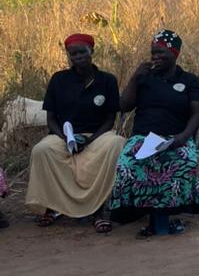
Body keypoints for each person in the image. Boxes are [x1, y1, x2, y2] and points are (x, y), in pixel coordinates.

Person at [104, 30, 199, 237]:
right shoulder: (144, 78)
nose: (155, 57)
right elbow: (123, 106)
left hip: (176, 137)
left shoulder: (189, 80)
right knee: (128, 164)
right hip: (143, 138)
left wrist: (183, 137)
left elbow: (196, 113)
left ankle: (170, 211)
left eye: (161, 53)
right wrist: (135, 78)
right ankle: (134, 210)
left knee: (184, 161)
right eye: (153, 53)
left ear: (175, 54)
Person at [24, 34, 124, 227]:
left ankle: (98, 210)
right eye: (73, 53)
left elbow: (110, 119)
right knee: (42, 150)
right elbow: (51, 118)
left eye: (82, 52)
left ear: (92, 52)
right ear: (68, 56)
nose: (78, 57)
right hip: (63, 136)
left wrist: (89, 140)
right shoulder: (59, 80)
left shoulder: (107, 80)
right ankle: (51, 207)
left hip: (97, 137)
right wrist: (65, 138)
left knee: (117, 143)